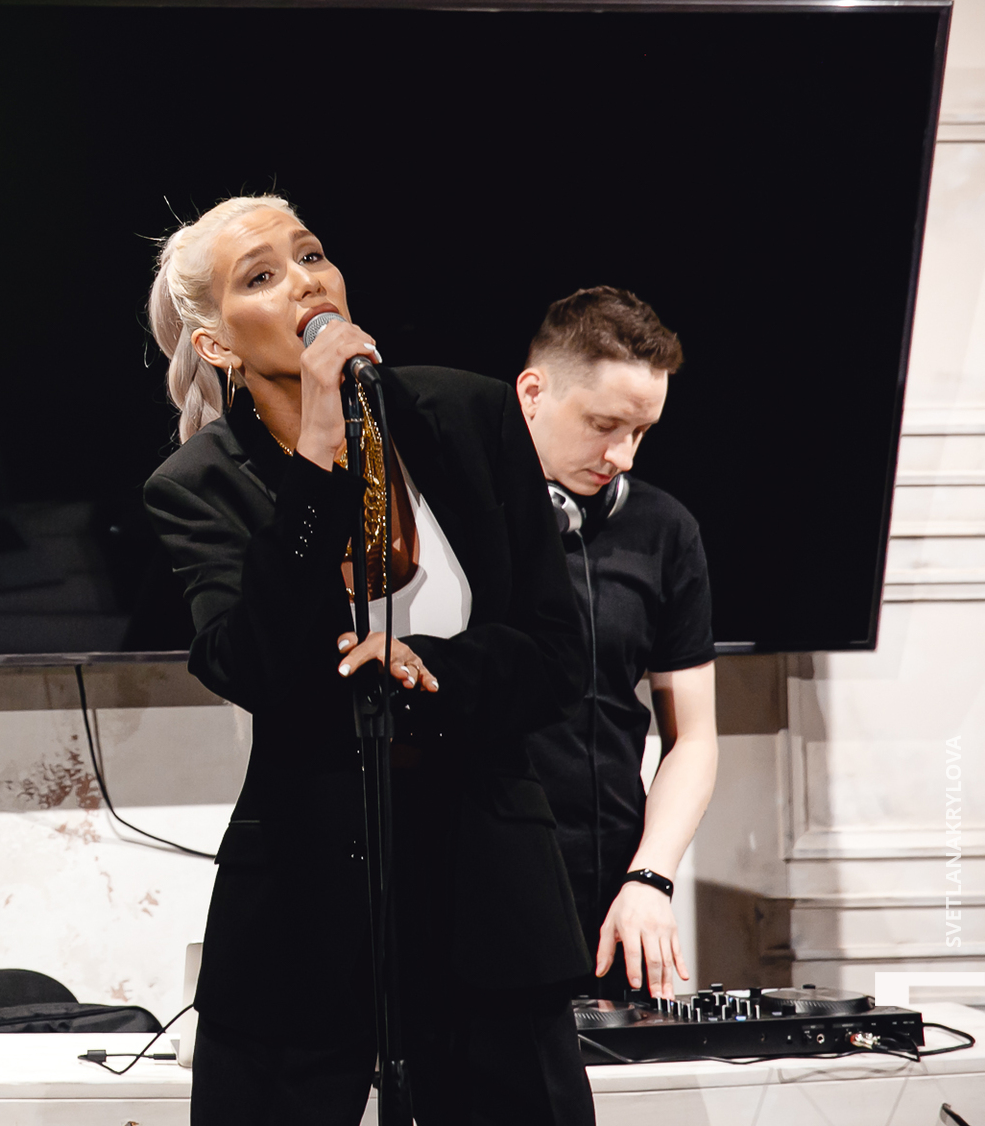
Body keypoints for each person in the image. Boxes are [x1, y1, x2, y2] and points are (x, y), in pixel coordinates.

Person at [143, 195, 595, 1126]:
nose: (305, 281)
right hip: (303, 919)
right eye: (262, 276)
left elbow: (557, 654)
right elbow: (254, 664)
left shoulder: (468, 414)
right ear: (217, 344)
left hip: (486, 897)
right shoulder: (200, 485)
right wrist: (317, 451)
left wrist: (426, 667)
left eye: (311, 256)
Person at [516, 289, 717, 1004]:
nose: (621, 456)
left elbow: (693, 737)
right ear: (532, 394)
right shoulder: (451, 521)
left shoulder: (664, 530)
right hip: (479, 902)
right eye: (603, 425)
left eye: (640, 432)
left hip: (611, 903)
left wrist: (650, 878)